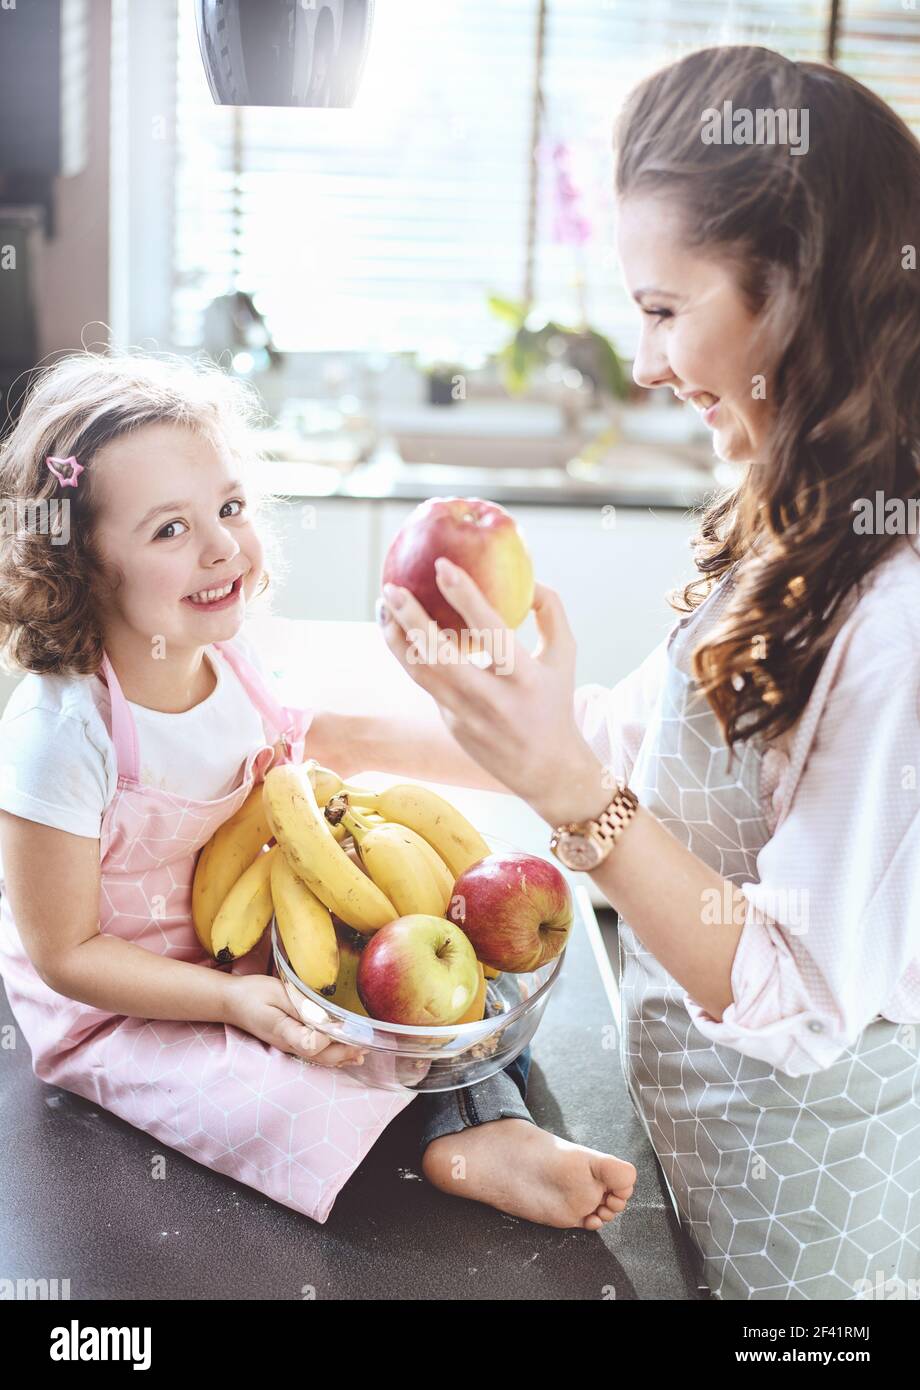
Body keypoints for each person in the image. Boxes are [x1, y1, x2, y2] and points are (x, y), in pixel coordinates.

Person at [376, 45, 920, 1300]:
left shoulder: (894, 608)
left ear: (795, 294)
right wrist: (339, 717)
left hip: (808, 1240)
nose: (642, 362)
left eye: (664, 310)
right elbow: (651, 753)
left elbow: (795, 991)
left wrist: (567, 790)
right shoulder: (786, 515)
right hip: (695, 1162)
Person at [0, 349, 636, 1230]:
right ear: (78, 565)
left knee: (445, 1012)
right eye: (169, 530)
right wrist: (228, 1002)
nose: (224, 544)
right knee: (269, 1094)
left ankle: (488, 1118)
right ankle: (453, 1147)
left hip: (264, 948)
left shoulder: (231, 658)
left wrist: (534, 758)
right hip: (128, 1001)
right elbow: (64, 954)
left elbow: (335, 738)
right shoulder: (62, 734)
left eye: (228, 508)